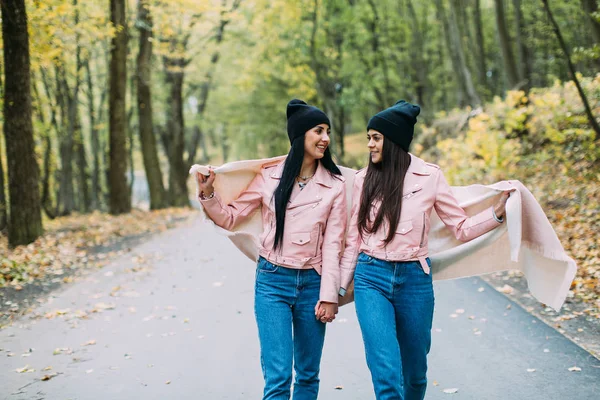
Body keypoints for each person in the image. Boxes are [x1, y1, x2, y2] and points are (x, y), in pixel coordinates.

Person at [338, 100, 512, 400]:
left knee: (415, 376)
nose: (369, 144)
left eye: (375, 137)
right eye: (368, 137)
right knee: (386, 373)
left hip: (414, 281)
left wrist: (495, 215)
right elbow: (354, 237)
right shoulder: (364, 178)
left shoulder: (430, 176)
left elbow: (461, 228)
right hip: (371, 277)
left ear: (393, 140)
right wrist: (338, 287)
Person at [196, 99, 347, 400]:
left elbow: (334, 244)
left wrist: (330, 296)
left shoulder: (335, 185)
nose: (326, 138)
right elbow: (230, 218)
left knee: (307, 374)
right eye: (319, 130)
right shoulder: (270, 178)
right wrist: (209, 193)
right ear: (300, 135)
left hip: (313, 285)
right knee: (278, 376)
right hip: (272, 281)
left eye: (328, 131)